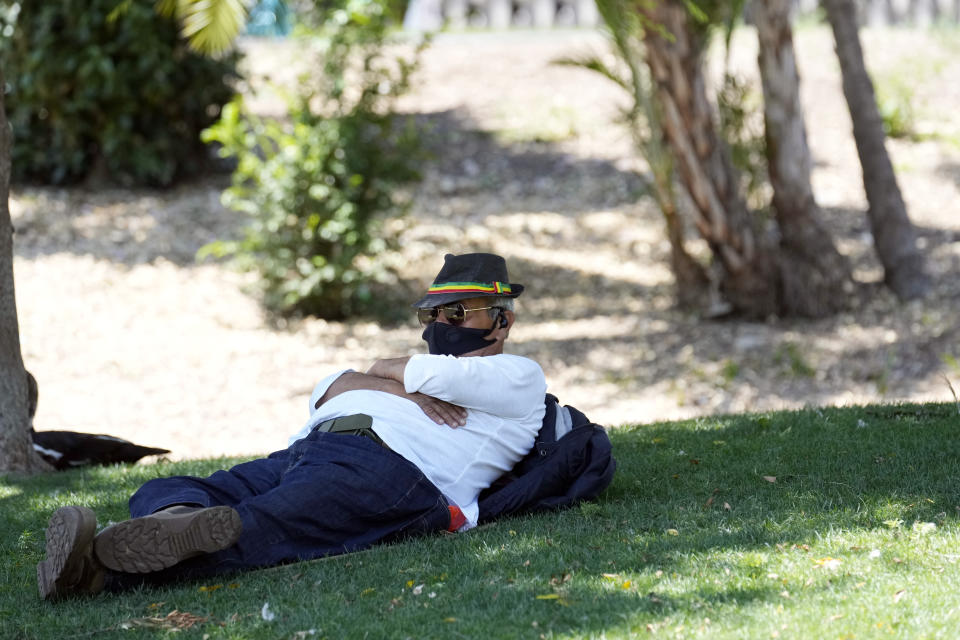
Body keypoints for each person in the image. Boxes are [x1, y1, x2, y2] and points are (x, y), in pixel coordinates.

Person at [37, 253, 547, 600]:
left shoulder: (517, 376)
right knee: (170, 485)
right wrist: (394, 385)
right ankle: (170, 522)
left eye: (457, 313)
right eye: (431, 314)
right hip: (309, 452)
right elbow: (328, 386)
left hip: (392, 472)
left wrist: (381, 375)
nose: (439, 325)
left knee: (259, 527)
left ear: (502, 322)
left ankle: (96, 572)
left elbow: (418, 371)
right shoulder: (422, 377)